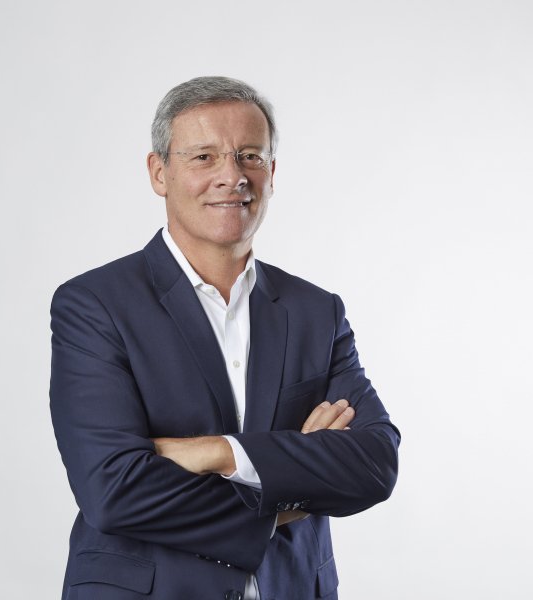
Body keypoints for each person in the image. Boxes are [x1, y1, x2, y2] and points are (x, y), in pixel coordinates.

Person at [50, 76, 400, 600]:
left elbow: (374, 463)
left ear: (271, 173)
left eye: (250, 156)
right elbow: (114, 490)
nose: (232, 177)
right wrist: (287, 493)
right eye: (204, 157)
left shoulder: (315, 311)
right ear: (159, 172)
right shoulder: (95, 305)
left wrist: (218, 453)